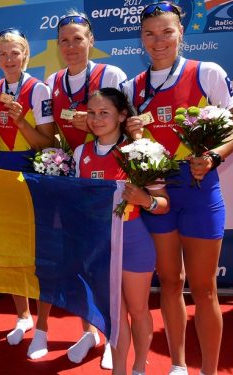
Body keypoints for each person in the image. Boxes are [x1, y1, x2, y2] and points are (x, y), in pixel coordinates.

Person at [122, 1, 233, 375]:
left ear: (181, 33)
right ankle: (178, 365)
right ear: (141, 38)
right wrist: (133, 133)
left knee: (205, 289)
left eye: (166, 32)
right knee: (171, 282)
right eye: (149, 33)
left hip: (199, 188)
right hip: (158, 193)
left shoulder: (206, 72)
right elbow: (129, 144)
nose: (158, 41)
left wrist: (212, 158)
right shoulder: (131, 87)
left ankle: (208, 370)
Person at [34, 11, 128, 367]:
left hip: (109, 179)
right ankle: (89, 331)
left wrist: (90, 124)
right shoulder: (54, 80)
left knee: (109, 262)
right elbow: (55, 135)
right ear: (58, 47)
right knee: (81, 261)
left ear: (91, 40)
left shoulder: (112, 75)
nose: (71, 46)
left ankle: (113, 337)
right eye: (64, 41)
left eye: (78, 39)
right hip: (76, 179)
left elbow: (123, 126)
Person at [76, 88, 170, 375]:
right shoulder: (81, 152)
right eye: (92, 113)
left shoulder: (140, 151)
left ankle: (139, 368)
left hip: (133, 241)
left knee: (139, 311)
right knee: (115, 317)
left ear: (122, 115)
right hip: (100, 245)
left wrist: (146, 200)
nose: (96, 119)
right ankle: (120, 371)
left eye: (104, 112)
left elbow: (163, 205)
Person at [0, 28, 55, 345]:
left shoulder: (38, 90)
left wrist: (20, 121)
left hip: (32, 173)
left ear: (25, 54)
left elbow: (48, 142)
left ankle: (43, 324)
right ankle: (23, 316)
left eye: (15, 52)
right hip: (3, 174)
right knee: (12, 251)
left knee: (39, 252)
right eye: (3, 54)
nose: (9, 59)